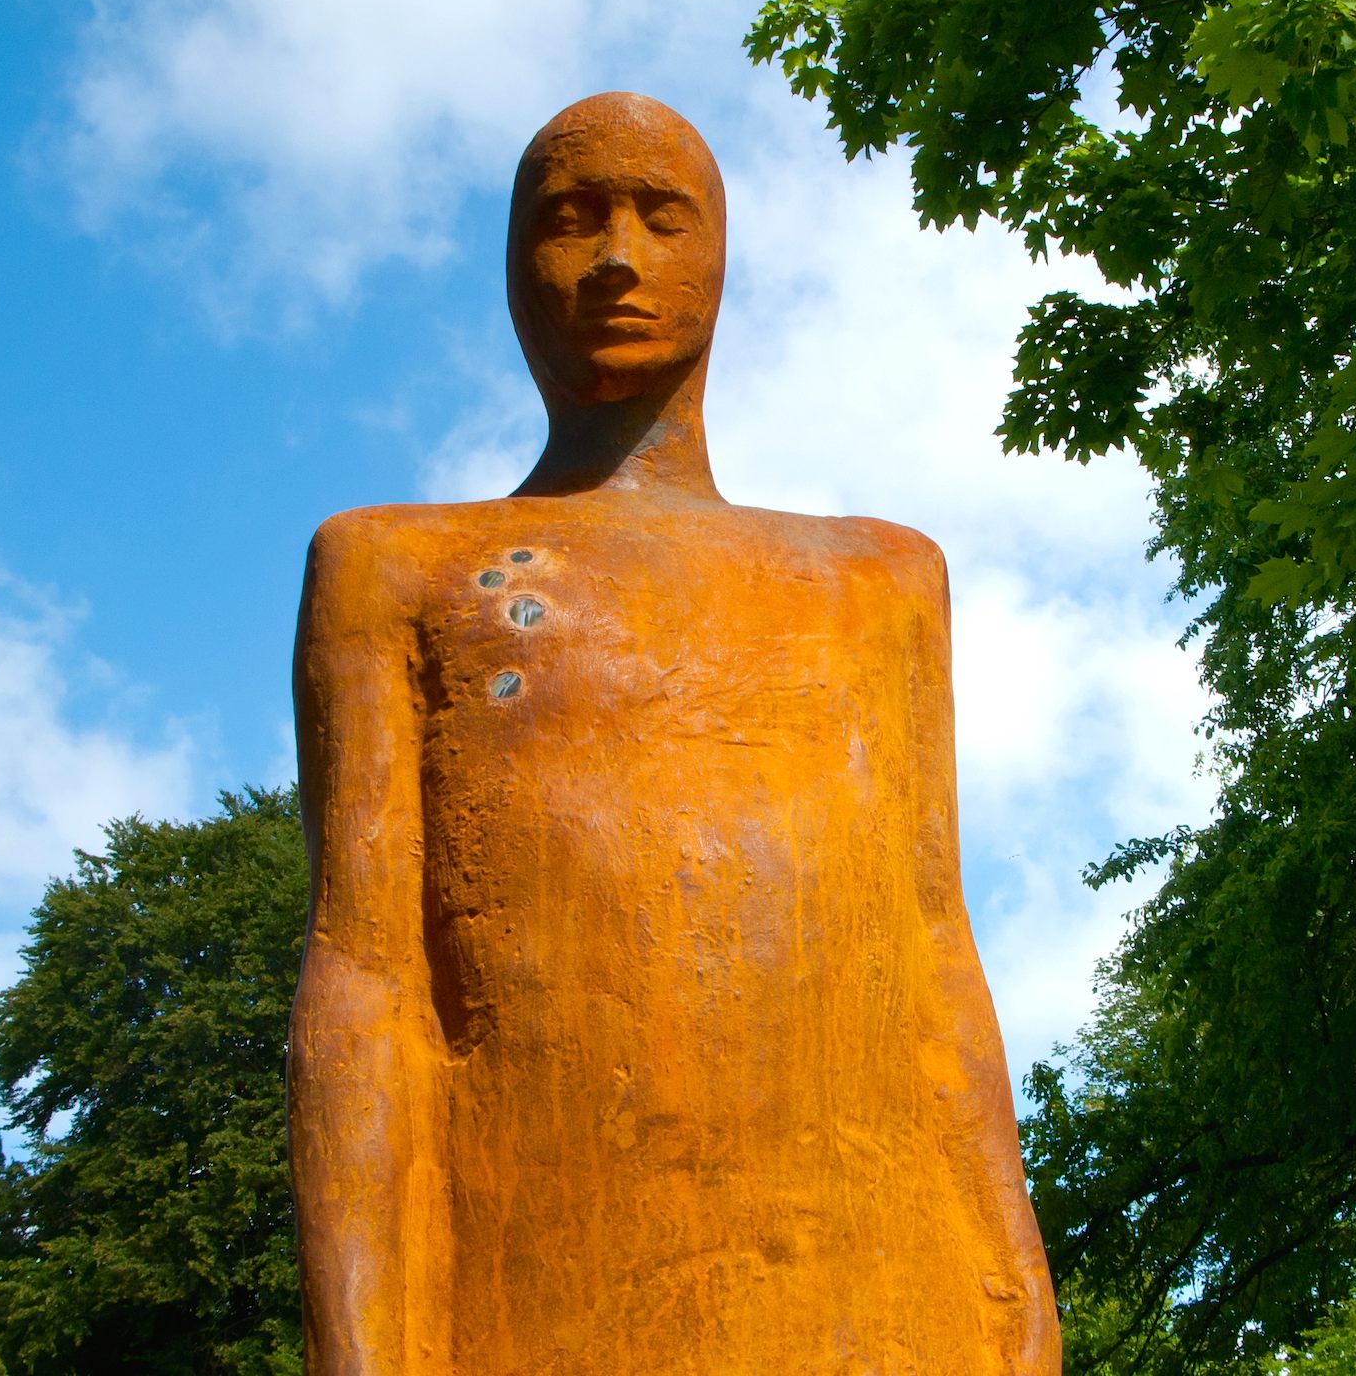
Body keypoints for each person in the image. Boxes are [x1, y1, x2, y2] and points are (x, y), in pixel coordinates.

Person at [288, 91, 1059, 1375]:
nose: (616, 260)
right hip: (537, 1283)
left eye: (662, 217)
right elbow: (365, 982)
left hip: (883, 1291)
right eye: (570, 219)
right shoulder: (396, 567)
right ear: (512, 267)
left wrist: (1010, 1273)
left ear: (720, 257)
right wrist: (362, 1342)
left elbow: (930, 947)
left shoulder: (880, 580)